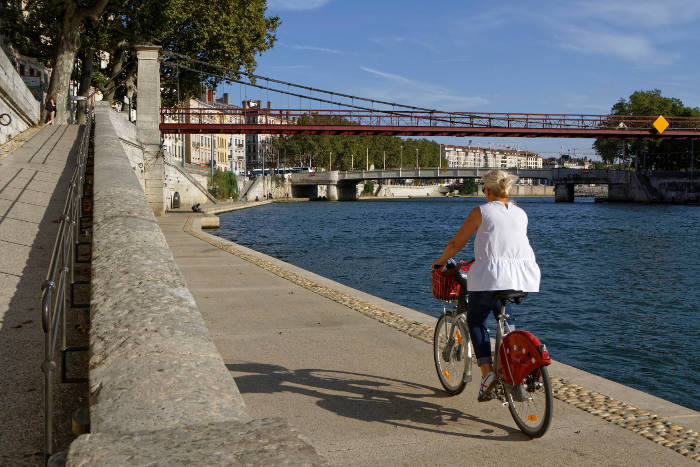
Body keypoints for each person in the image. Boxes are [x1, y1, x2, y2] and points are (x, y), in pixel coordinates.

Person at [432, 169, 540, 401]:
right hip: (522, 277)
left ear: (488, 190)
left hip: (491, 276)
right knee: (506, 320)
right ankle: (510, 368)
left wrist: (440, 261)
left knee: (476, 320)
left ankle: (487, 374)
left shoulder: (481, 211)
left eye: (483, 188)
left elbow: (456, 242)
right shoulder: (521, 213)